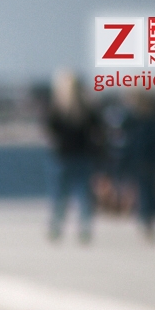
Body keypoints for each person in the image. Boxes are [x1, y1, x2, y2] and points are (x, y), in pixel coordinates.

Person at [46, 70, 103, 243]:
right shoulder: (86, 108)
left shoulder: (57, 108)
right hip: (82, 156)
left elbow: (50, 131)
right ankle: (84, 229)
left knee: (60, 195)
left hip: (63, 157)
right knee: (83, 195)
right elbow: (97, 131)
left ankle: (56, 228)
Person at [122, 93, 155, 240]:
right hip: (153, 161)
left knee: (145, 192)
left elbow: (130, 144)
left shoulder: (134, 119)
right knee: (150, 192)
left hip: (141, 161)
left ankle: (146, 221)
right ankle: (149, 221)